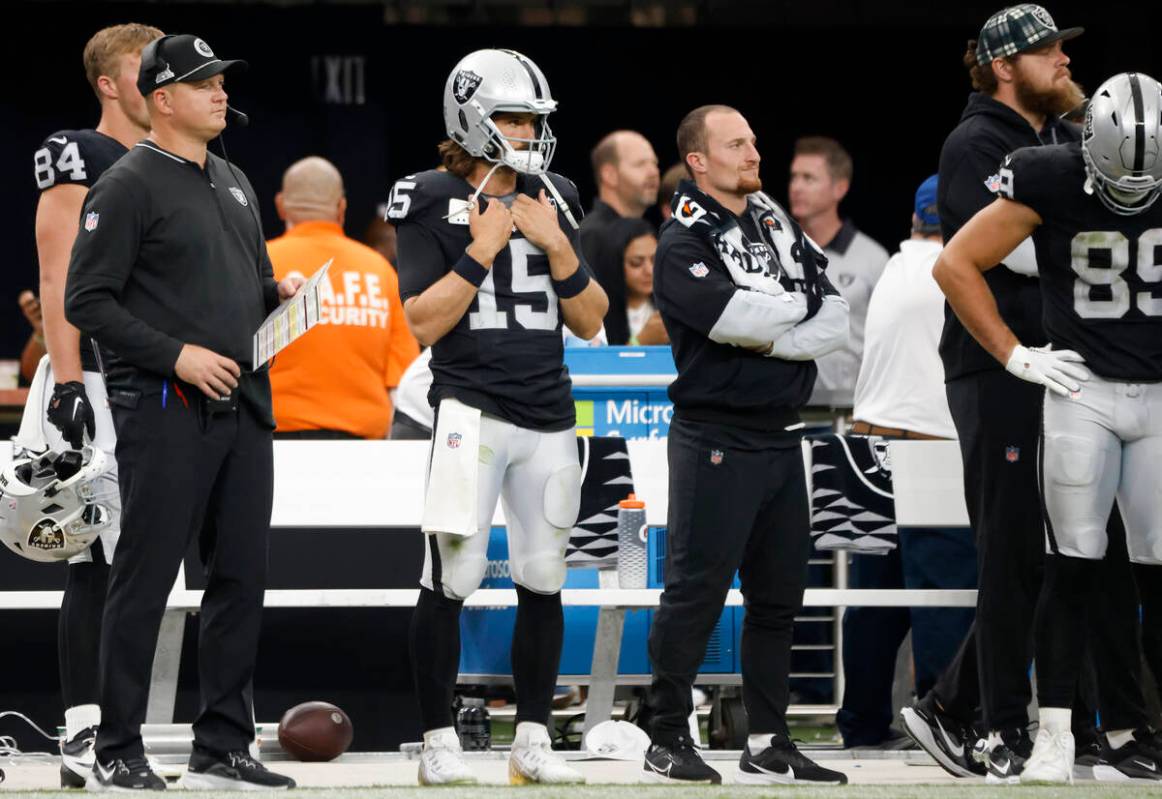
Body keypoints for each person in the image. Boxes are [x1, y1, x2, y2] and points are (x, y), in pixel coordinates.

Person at [900, 6, 1151, 784]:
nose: (1065, 63)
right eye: (1048, 52)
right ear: (1005, 65)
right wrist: (1018, 349)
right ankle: (990, 719)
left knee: (1090, 554)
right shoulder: (979, 142)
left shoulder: (1055, 140)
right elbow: (994, 260)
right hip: (1004, 363)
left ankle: (1118, 721)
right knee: (1017, 551)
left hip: (1074, 370)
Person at [65, 33, 300, 791]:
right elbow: (86, 300)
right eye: (203, 84)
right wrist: (177, 355)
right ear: (161, 100)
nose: (221, 93)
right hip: (165, 406)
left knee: (240, 577)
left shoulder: (231, 177)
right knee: (145, 577)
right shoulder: (129, 183)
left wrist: (281, 296)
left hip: (244, 407)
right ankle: (116, 746)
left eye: (222, 81)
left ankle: (224, 741)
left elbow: (245, 285)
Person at [388, 48, 607, 785]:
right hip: (469, 413)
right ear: (469, 118)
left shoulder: (557, 195)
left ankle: (534, 738)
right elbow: (420, 320)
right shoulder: (425, 195)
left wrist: (554, 245)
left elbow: (592, 318)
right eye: (512, 117)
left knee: (545, 576)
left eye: (533, 119)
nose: (526, 131)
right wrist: (481, 251)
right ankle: (438, 738)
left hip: (548, 413)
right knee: (452, 574)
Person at [642, 104, 849, 785]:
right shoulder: (680, 241)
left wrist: (775, 324)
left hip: (782, 435)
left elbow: (837, 313)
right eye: (737, 144)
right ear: (699, 160)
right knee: (695, 591)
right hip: (716, 434)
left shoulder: (775, 223)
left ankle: (768, 737)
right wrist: (794, 312)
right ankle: (665, 732)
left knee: (778, 599)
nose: (754, 153)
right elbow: (729, 318)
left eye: (755, 140)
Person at [25, 22, 161, 789]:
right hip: (99, 382)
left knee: (141, 561)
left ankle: (122, 729)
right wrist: (71, 380)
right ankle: (86, 732)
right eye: (147, 70)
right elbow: (59, 276)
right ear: (109, 84)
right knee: (96, 559)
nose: (164, 80)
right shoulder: (83, 153)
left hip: (157, 380)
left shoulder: (182, 163)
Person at [837, 175, 974, 749]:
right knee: (944, 597)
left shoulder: (898, 264)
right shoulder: (958, 269)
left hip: (869, 443)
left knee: (876, 603)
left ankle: (863, 723)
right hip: (928, 446)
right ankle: (944, 725)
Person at [267, 156, 419, 439]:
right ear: (341, 208)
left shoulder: (259, 264)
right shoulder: (380, 272)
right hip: (362, 448)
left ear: (280, 204)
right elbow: (404, 382)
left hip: (274, 439)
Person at [788, 136, 889, 407]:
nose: (796, 187)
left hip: (853, 409)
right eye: (794, 177)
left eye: (809, 178)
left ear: (839, 188)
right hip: (784, 409)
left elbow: (888, 340)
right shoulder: (775, 251)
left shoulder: (873, 259)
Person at [579, 130, 660, 343]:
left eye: (655, 164)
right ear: (609, 174)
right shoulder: (591, 237)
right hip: (607, 370)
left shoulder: (648, 231)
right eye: (640, 164)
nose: (653, 172)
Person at [604, 217, 667, 345]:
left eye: (655, 260)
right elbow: (599, 364)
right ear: (616, 264)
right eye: (636, 263)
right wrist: (640, 342)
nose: (649, 271)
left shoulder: (671, 306)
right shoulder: (601, 312)